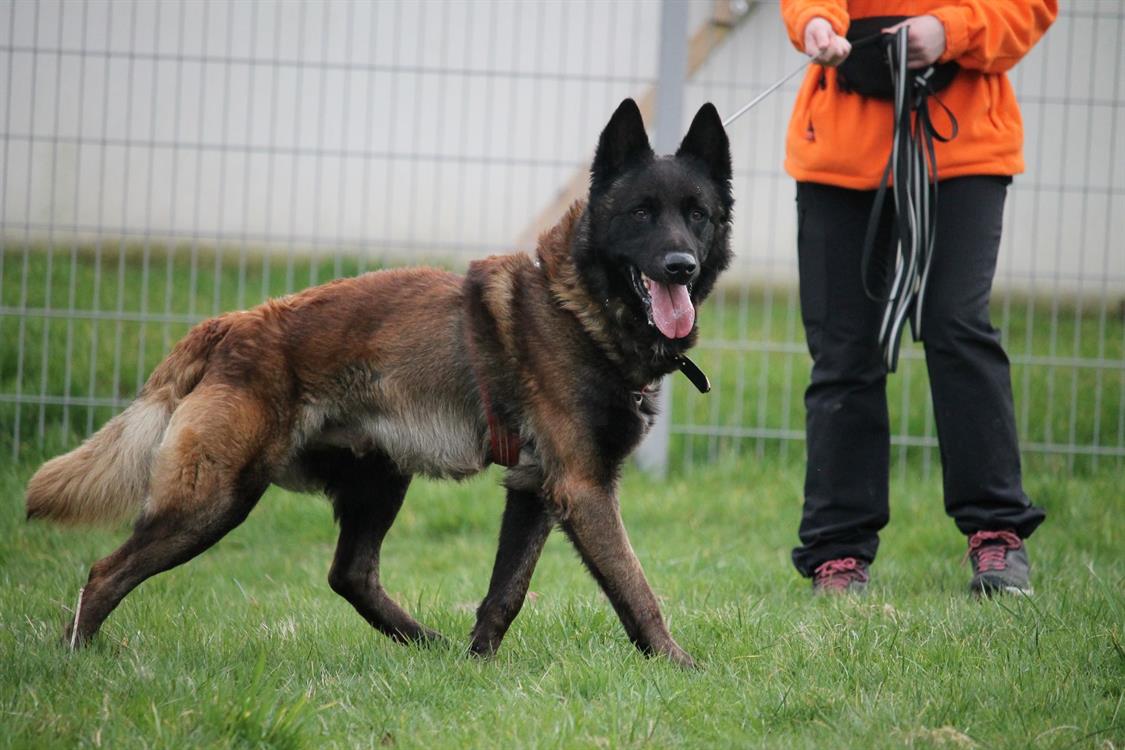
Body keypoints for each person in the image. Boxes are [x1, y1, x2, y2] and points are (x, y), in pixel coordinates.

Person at [779, 1, 1057, 594]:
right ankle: (837, 554)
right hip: (838, 146)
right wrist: (815, 21)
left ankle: (997, 534)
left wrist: (951, 30)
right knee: (843, 350)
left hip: (964, 144)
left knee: (957, 327)